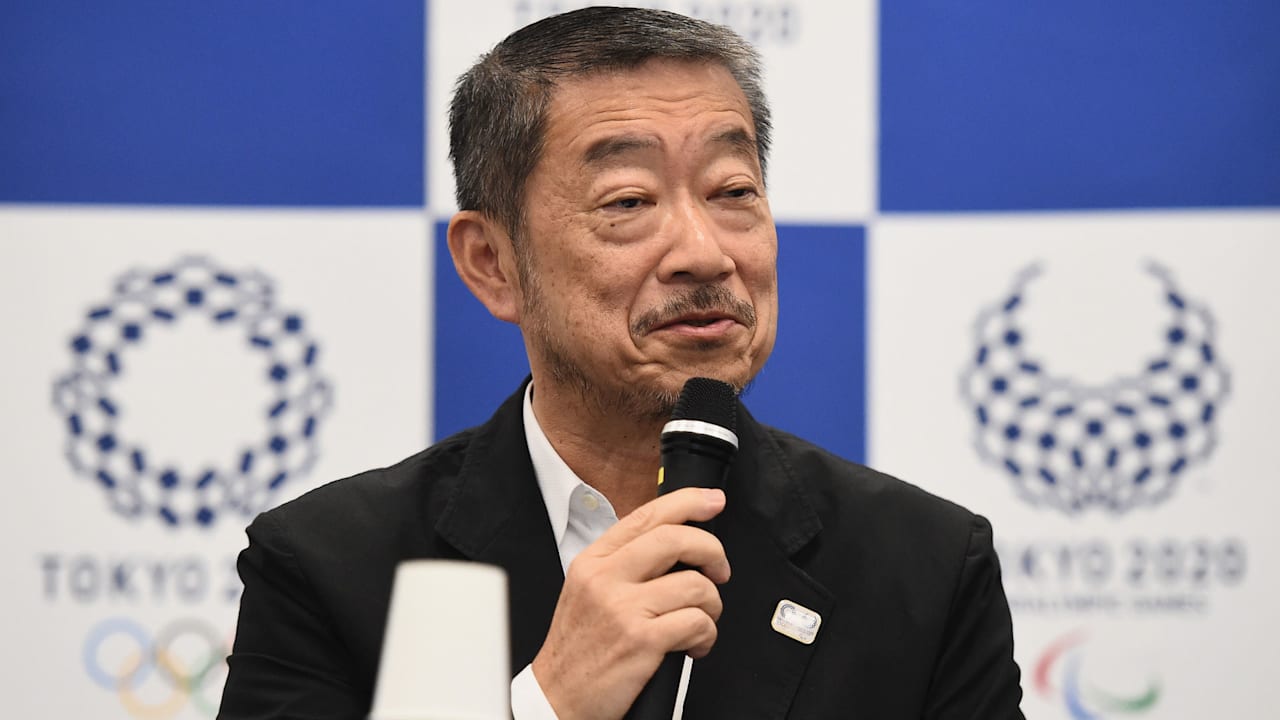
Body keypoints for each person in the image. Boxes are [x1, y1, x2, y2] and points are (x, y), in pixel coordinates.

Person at [218, 7, 1024, 719]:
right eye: (629, 202)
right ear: (492, 263)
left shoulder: (922, 566)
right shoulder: (329, 567)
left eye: (733, 191)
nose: (704, 253)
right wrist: (548, 705)